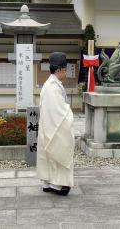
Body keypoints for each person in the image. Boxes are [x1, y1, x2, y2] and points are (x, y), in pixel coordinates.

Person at [36, 52, 74, 196]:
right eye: (65, 70)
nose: (65, 73)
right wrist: (68, 114)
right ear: (58, 70)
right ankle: (56, 185)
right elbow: (59, 111)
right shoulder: (52, 87)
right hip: (54, 126)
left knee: (48, 154)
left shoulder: (51, 84)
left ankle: (48, 183)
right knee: (56, 151)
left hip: (48, 125)